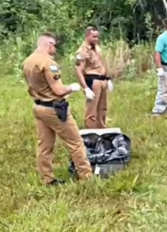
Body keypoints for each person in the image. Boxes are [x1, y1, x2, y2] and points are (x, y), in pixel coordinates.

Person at [22, 32, 93, 185]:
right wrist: (71, 87)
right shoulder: (49, 63)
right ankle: (86, 177)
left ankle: (47, 179)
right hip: (54, 109)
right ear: (49, 44)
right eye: (54, 45)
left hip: (38, 106)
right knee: (75, 142)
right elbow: (58, 90)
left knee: (44, 145)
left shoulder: (28, 61)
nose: (55, 48)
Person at [74, 26, 113, 129]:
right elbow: (78, 70)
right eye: (93, 37)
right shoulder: (82, 51)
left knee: (102, 108)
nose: (96, 39)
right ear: (87, 36)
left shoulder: (97, 48)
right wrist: (86, 88)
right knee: (92, 110)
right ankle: (91, 132)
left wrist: (108, 78)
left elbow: (102, 63)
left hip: (102, 79)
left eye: (97, 37)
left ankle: (102, 129)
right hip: (93, 80)